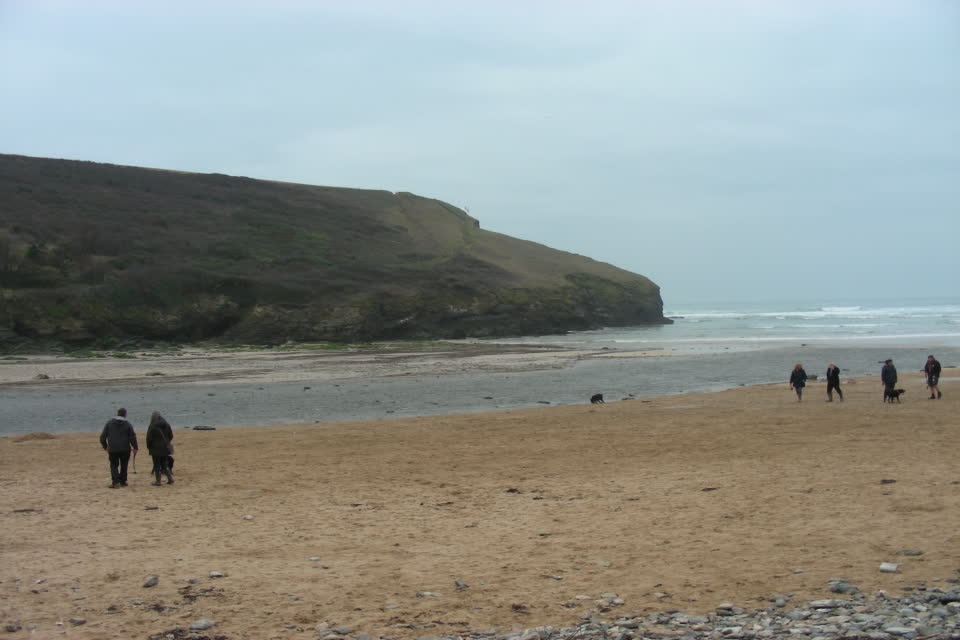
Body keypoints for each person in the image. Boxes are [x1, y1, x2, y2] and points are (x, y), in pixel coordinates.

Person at [99, 408, 138, 488]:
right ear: (125, 414)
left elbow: (102, 437)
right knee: (124, 465)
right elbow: (132, 437)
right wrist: (135, 447)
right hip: (125, 448)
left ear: (117, 413)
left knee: (114, 465)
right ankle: (123, 481)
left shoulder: (109, 423)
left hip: (113, 448)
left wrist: (105, 446)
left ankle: (116, 482)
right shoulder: (127, 424)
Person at [145, 411, 174, 486]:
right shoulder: (166, 424)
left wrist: (149, 446)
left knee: (157, 464)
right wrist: (167, 442)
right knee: (165, 464)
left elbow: (149, 438)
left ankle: (158, 481)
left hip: (155, 448)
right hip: (165, 447)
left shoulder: (152, 426)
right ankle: (170, 479)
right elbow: (171, 435)